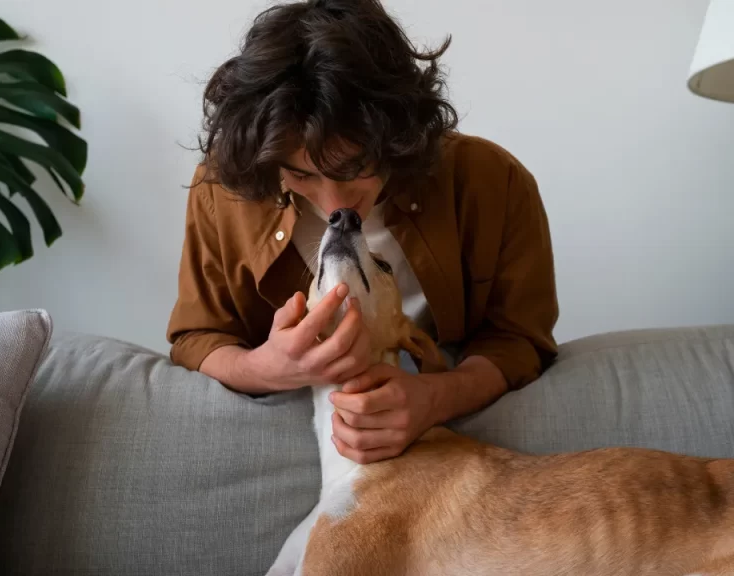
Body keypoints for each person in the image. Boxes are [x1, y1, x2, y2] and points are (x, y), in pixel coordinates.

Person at [166, 0, 558, 464]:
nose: (335, 206)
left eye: (355, 168)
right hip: (297, 437)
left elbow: (519, 340)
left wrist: (436, 397)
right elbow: (197, 338)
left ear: (398, 136)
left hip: (446, 442)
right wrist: (264, 368)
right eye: (303, 175)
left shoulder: (493, 180)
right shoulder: (224, 189)